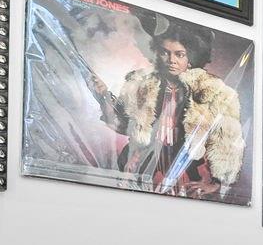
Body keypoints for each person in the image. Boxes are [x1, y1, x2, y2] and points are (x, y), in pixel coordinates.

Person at [95, 21, 245, 196]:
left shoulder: (213, 91)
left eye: (179, 54)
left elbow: (227, 141)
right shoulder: (141, 84)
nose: (172, 60)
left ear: (191, 58)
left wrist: (217, 182)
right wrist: (103, 96)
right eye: (165, 53)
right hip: (139, 169)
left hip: (188, 173)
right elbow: (123, 125)